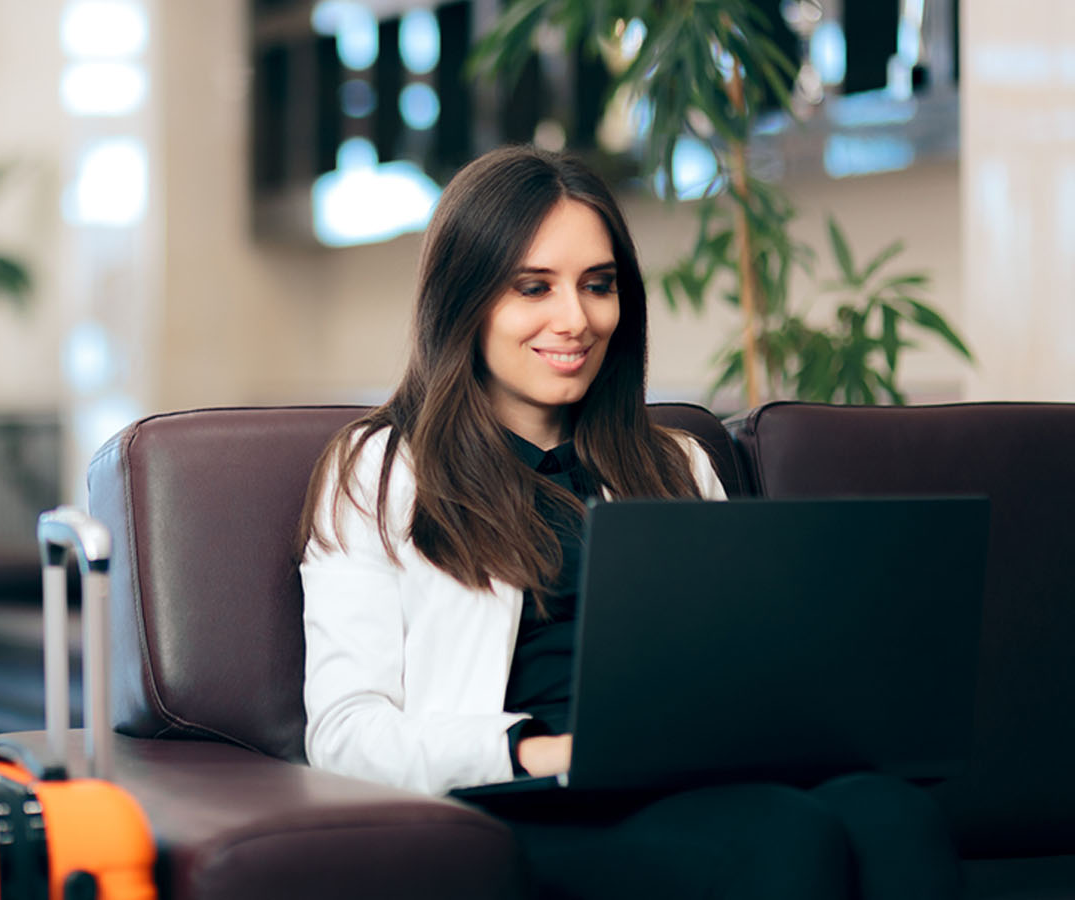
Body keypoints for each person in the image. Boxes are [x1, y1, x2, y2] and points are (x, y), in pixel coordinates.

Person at [296, 145, 959, 899]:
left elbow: (735, 677)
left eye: (598, 286)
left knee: (893, 814)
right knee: (783, 838)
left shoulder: (675, 464)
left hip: (690, 782)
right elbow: (345, 734)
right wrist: (539, 750)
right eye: (533, 287)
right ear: (465, 299)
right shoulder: (380, 470)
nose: (575, 320)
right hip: (520, 803)